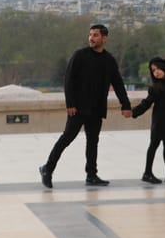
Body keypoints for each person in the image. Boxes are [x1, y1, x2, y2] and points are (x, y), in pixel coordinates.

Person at [39, 24, 132, 189]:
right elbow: (69, 80)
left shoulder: (109, 60)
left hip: (97, 108)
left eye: (95, 35)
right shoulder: (80, 55)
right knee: (67, 138)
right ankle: (47, 168)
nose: (91, 38)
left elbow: (118, 83)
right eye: (90, 35)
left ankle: (91, 174)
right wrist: (71, 103)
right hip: (78, 107)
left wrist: (125, 104)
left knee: (93, 141)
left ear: (104, 38)